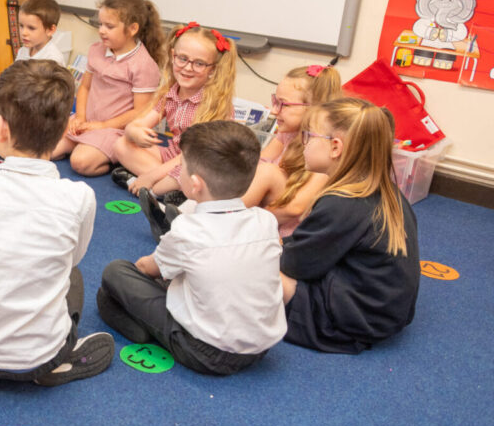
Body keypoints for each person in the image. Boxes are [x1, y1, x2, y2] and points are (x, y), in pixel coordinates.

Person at [0, 59, 114, 387]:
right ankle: (50, 365)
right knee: (72, 278)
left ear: (0, 128)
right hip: (43, 354)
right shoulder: (80, 196)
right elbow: (72, 260)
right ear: (61, 132)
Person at [98, 121, 286, 376]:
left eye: (181, 167)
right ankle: (146, 323)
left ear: (195, 184)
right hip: (262, 346)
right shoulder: (266, 220)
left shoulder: (188, 228)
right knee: (185, 276)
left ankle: (145, 330)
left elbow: (145, 269)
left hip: (206, 352)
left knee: (115, 274)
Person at [280, 97, 420, 354]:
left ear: (335, 147)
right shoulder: (384, 190)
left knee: (257, 269)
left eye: (308, 136)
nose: (303, 144)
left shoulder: (342, 203)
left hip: (350, 322)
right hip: (382, 313)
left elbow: (293, 266)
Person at [112, 21, 236, 196]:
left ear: (213, 69)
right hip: (171, 158)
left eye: (199, 63)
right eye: (182, 58)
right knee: (120, 145)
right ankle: (167, 190)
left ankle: (153, 188)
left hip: (198, 164)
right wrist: (134, 132)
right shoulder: (170, 93)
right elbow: (137, 124)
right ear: (172, 56)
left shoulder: (214, 105)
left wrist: (151, 176)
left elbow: (192, 156)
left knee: (174, 180)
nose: (187, 68)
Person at [50, 0, 164, 176]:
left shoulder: (143, 65)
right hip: (87, 122)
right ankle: (86, 146)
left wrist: (102, 126)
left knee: (80, 162)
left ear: (132, 29)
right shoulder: (96, 50)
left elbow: (140, 113)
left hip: (114, 130)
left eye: (109, 26)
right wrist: (79, 117)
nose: (102, 30)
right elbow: (85, 87)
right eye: (101, 24)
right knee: (45, 150)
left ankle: (114, 160)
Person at [239, 64, 343, 237]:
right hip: (266, 216)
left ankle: (220, 220)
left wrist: (249, 223)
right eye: (275, 101)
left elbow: (296, 207)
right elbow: (255, 165)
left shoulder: (325, 146)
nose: (273, 111)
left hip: (288, 230)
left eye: (283, 104)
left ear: (313, 107)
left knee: (267, 173)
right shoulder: (287, 133)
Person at [0, 0, 67, 152]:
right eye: (21, 26)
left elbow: (43, 102)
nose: (23, 33)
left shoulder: (52, 59)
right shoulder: (24, 50)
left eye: (31, 28)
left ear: (51, 29)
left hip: (32, 115)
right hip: (14, 107)